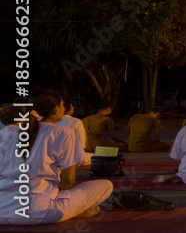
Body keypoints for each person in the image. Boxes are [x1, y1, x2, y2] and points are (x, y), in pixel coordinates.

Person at [0, 92, 113, 226]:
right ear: (55, 109)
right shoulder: (63, 133)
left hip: (3, 211)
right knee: (106, 185)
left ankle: (72, 209)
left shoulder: (12, 134)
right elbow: (68, 181)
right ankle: (75, 211)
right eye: (62, 105)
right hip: (39, 212)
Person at [53, 100, 90, 169]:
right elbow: (81, 144)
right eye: (71, 106)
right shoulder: (76, 122)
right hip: (70, 158)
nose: (73, 108)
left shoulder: (52, 122)